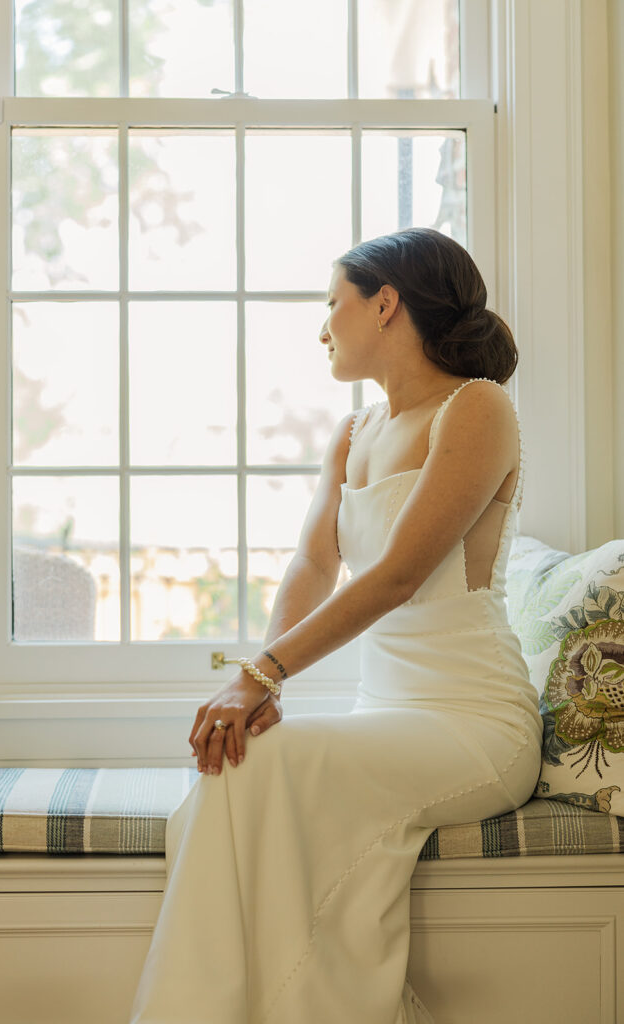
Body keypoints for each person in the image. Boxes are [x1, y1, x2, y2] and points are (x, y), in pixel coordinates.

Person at [128, 227, 543, 1024]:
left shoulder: (478, 407)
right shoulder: (351, 433)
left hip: (473, 723)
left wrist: (260, 676)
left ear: (384, 304)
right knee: (242, 764)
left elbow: (394, 577)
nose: (321, 328)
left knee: (259, 769)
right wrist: (262, 687)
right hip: (385, 717)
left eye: (331, 304)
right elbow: (312, 568)